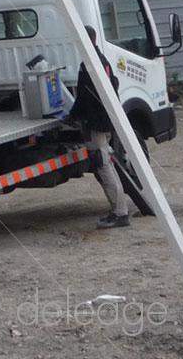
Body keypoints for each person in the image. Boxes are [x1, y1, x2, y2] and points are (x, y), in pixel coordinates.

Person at [67, 26, 129, 228]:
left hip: (98, 121)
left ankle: (120, 213)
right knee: (106, 163)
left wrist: (72, 116)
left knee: (102, 164)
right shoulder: (101, 59)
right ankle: (119, 211)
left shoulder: (90, 63)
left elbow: (85, 95)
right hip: (106, 119)